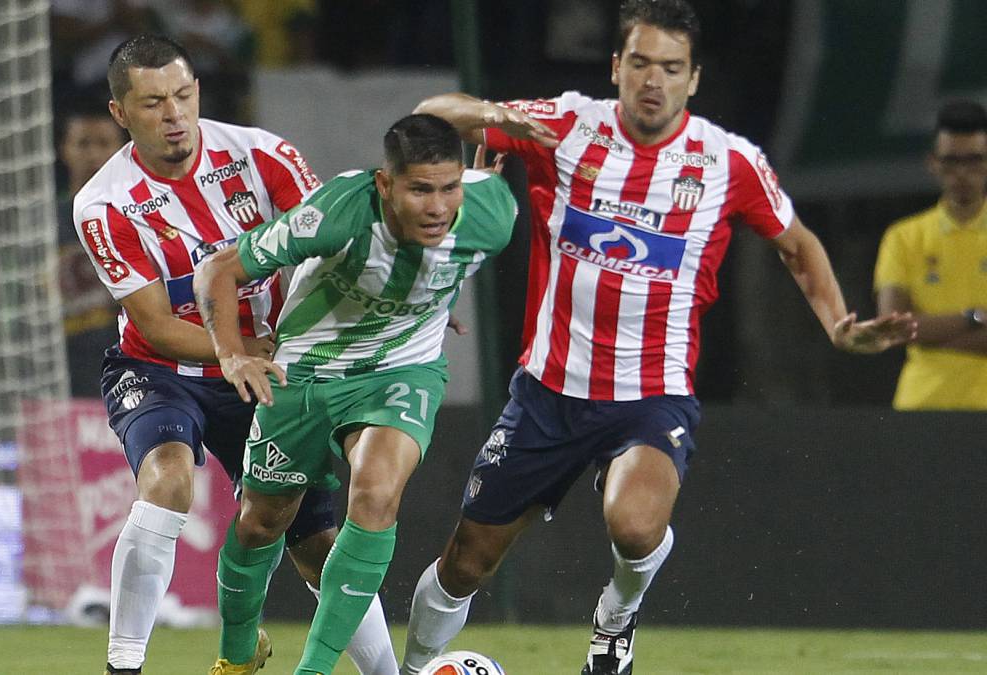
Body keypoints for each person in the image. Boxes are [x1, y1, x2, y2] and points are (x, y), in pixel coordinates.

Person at [400, 2, 917, 674]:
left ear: (693, 79)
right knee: (466, 562)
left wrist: (839, 324)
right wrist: (498, 116)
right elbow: (432, 116)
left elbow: (796, 244)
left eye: (672, 68)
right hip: (548, 391)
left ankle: (617, 617)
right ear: (617, 66)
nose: (654, 80)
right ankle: (411, 669)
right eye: (641, 63)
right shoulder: (569, 125)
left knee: (636, 524)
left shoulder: (728, 160)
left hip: (651, 396)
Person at [70, 35, 395, 675]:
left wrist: (399, 296)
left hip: (266, 368)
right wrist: (238, 352)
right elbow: (158, 326)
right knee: (167, 479)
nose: (174, 115)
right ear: (120, 113)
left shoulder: (262, 155)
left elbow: (336, 247)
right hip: (161, 371)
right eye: (153, 103)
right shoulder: (103, 205)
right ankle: (123, 665)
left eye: (183, 96)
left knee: (315, 540)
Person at [195, 113, 518, 675]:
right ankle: (236, 657)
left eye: (450, 189)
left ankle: (313, 671)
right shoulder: (339, 211)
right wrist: (231, 353)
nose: (439, 208)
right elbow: (218, 271)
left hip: (401, 372)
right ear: (385, 184)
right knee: (260, 523)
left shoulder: (491, 213)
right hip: (305, 374)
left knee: (375, 495)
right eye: (420, 190)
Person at [874, 99, 987, 410]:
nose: (962, 173)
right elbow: (893, 327)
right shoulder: (903, 237)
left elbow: (907, 330)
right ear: (933, 163)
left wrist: (929, 336)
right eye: (951, 161)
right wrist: (974, 318)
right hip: (923, 406)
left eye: (974, 160)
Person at [56, 101, 128, 397]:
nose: (94, 155)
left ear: (122, 149)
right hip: (60, 374)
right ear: (64, 149)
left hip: (128, 371)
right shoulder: (42, 222)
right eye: (83, 144)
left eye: (104, 143)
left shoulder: (141, 215)